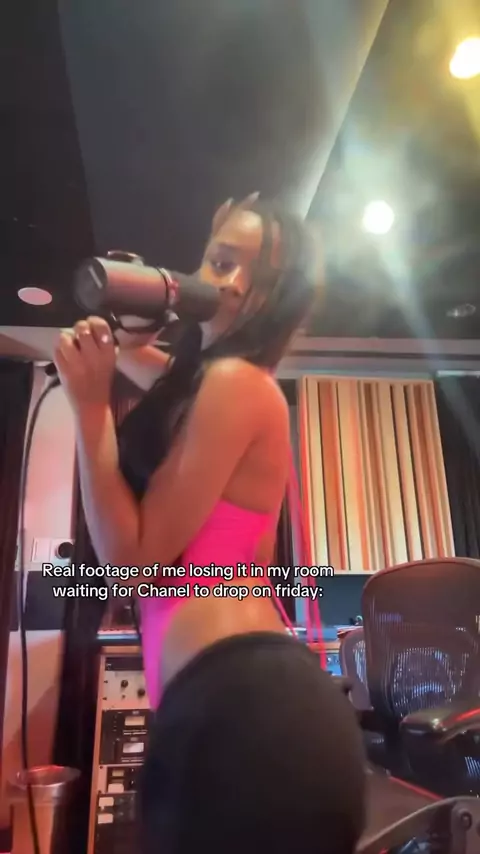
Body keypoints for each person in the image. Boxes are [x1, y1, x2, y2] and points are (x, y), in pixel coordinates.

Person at [53, 195, 366, 854]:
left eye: (259, 276)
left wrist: (89, 409)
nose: (234, 283)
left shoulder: (237, 384)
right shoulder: (207, 384)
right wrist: (140, 329)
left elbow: (134, 566)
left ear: (279, 301)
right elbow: (155, 373)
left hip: (245, 711)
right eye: (220, 260)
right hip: (229, 700)